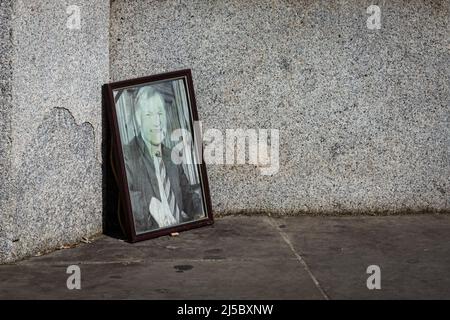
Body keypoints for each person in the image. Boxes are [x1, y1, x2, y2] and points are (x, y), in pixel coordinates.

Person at [123, 86, 202, 234]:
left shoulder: (172, 155)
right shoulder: (127, 154)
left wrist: (201, 211)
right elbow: (123, 195)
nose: (157, 121)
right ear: (139, 120)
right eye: (149, 115)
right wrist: (148, 204)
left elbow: (187, 194)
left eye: (160, 113)